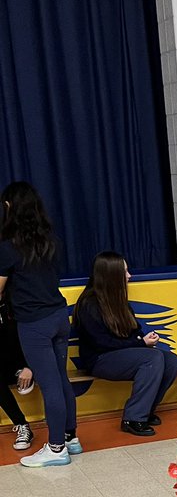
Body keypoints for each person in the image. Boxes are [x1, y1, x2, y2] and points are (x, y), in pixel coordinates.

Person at [0, 181, 81, 466]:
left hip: (34, 323)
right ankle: (71, 439)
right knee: (60, 379)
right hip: (59, 316)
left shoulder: (8, 248)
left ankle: (56, 448)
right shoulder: (49, 239)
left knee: (50, 385)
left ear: (12, 208)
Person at [73, 251, 177, 436]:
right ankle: (133, 418)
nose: (129, 276)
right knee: (152, 358)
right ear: (111, 276)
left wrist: (144, 340)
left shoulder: (119, 300)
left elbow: (135, 331)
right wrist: (140, 343)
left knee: (171, 360)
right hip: (99, 359)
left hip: (124, 353)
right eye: (124, 272)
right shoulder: (88, 304)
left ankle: (146, 411)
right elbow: (102, 343)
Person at [0, 305, 34, 451]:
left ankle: (66, 433)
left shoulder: (17, 302)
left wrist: (29, 367)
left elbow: (35, 338)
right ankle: (21, 424)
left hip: (25, 364)